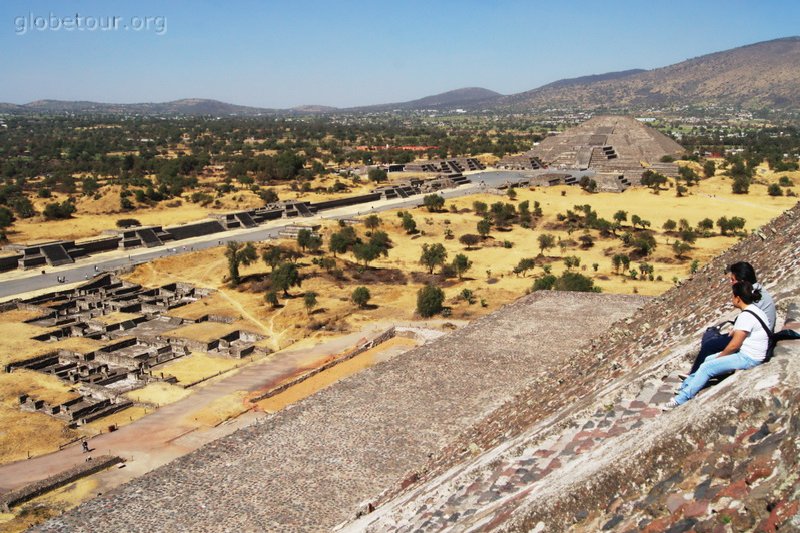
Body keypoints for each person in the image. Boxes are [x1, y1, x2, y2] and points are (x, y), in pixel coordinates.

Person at [665, 281, 770, 409]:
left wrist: (720, 356)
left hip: (749, 358)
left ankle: (680, 399)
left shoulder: (746, 316)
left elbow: (734, 345)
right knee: (708, 359)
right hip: (752, 354)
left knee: (708, 367)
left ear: (738, 298)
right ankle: (686, 385)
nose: (732, 299)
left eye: (733, 296)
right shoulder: (755, 310)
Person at [684, 261, 775, 376]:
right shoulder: (756, 291)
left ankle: (695, 374)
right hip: (755, 334)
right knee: (711, 337)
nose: (731, 283)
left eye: (733, 280)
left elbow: (749, 321)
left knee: (710, 344)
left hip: (755, 340)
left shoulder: (754, 297)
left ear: (742, 281)